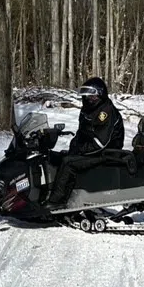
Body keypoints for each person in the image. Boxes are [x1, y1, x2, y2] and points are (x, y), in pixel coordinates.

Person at [45, 77, 124, 209]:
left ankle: (57, 202)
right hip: (93, 150)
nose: (88, 99)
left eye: (91, 97)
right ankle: (50, 193)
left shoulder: (106, 112)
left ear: (100, 95)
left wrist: (80, 150)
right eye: (86, 96)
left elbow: (100, 143)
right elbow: (82, 132)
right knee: (58, 157)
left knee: (68, 163)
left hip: (107, 153)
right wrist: (74, 147)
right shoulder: (88, 110)